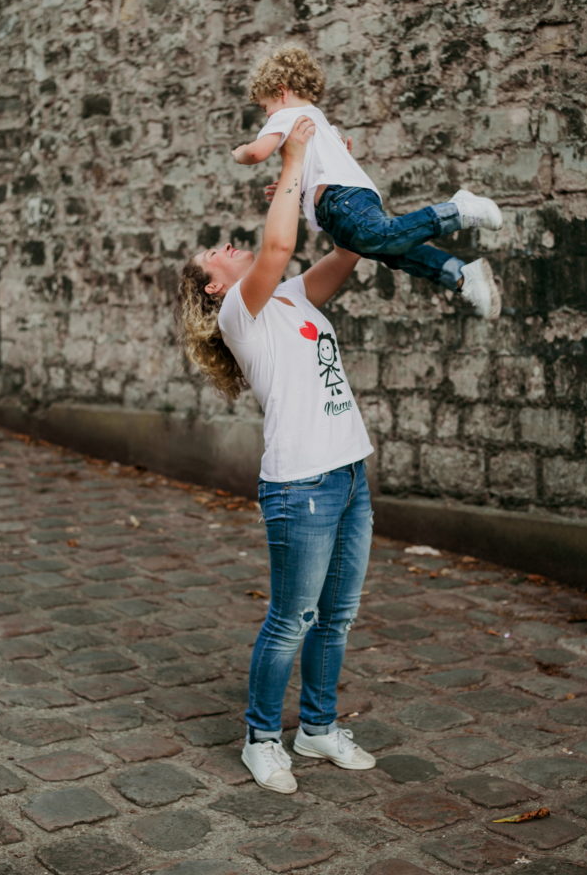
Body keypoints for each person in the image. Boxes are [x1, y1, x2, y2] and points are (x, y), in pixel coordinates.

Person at [177, 117, 376, 793]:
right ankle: (261, 738)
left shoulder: (289, 297)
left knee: (336, 617)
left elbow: (351, 246)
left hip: (349, 472)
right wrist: (291, 160)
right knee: (292, 619)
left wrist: (326, 176)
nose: (227, 246)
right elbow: (280, 242)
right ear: (213, 287)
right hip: (301, 486)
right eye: (215, 254)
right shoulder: (242, 313)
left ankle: (317, 728)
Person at [232, 44, 503, 320]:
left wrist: (239, 152)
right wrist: (294, 190)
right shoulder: (317, 119)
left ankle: (458, 210)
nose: (267, 114)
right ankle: (461, 275)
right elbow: (320, 166)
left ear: (281, 92)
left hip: (340, 201)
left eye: (265, 107)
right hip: (345, 199)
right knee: (391, 251)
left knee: (381, 237)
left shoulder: (285, 115)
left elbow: (256, 153)